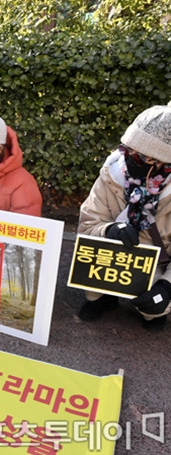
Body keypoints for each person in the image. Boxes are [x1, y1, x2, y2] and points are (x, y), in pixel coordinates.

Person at [77, 104, 171, 331]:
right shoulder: (111, 174)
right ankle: (101, 299)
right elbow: (88, 222)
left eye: (141, 159)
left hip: (158, 259)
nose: (129, 160)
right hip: (113, 251)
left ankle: (153, 311)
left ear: (165, 165)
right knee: (87, 266)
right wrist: (109, 230)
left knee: (154, 305)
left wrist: (167, 287)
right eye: (129, 151)